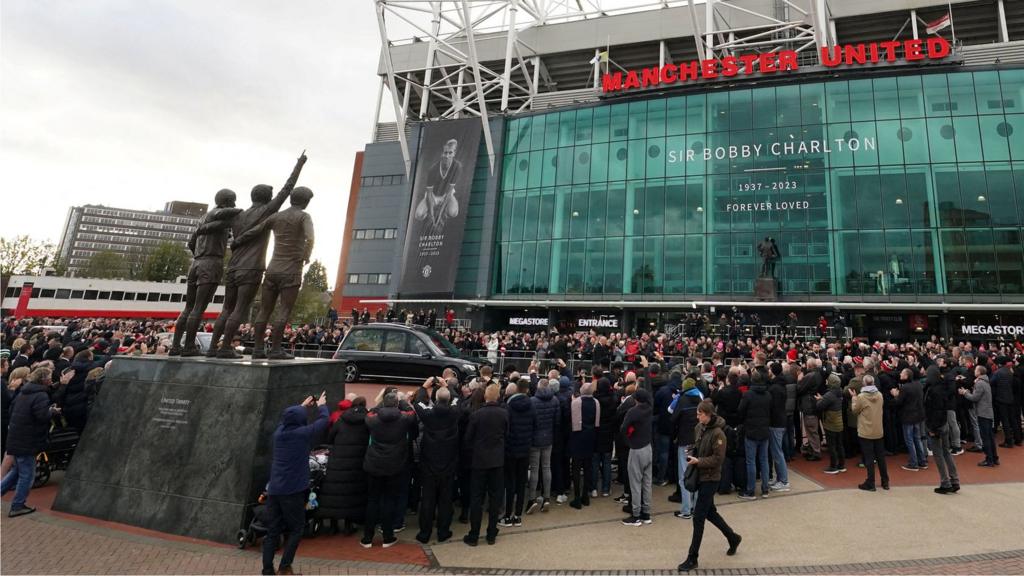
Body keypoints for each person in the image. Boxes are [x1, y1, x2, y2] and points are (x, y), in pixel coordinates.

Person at [261, 391, 329, 576]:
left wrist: (302, 406)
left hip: (275, 488)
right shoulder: (302, 434)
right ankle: (285, 566)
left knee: (273, 530)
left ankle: (267, 569)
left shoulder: (279, 433)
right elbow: (322, 422)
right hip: (292, 490)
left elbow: (287, 419)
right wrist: (321, 405)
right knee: (297, 528)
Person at [678, 401, 742, 572]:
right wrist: (692, 453)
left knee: (698, 517)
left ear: (708, 414)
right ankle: (733, 537)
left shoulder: (719, 434)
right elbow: (699, 448)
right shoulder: (699, 428)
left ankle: (693, 557)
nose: (697, 416)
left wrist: (699, 461)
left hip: (711, 479)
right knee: (710, 513)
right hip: (700, 475)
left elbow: (718, 459)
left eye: (700, 414)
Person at [2, 367, 61, 517]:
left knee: (17, 471)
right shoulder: (41, 395)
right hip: (28, 440)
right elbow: (42, 416)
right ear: (44, 380)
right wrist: (52, 412)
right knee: (27, 474)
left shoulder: (23, 392)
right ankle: (18, 505)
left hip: (16, 437)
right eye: (49, 377)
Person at [362, 391, 417, 548]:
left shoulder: (373, 419)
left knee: (372, 500)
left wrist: (381, 404)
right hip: (395, 465)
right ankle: (387, 536)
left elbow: (371, 412)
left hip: (374, 464)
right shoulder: (404, 419)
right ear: (397, 404)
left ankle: (367, 538)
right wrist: (403, 401)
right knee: (389, 500)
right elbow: (412, 413)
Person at [414, 383, 460, 544]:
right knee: (445, 500)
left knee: (427, 499)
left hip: (429, 463)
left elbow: (418, 402)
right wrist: (447, 386)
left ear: (435, 399)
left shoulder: (428, 414)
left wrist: (423, 387)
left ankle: (424, 533)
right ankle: (443, 531)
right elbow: (457, 399)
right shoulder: (454, 412)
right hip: (448, 463)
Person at [317, 396, 369, 536]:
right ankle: (348, 524)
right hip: (356, 462)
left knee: (335, 492)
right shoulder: (366, 421)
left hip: (337, 461)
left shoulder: (341, 420)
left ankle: (333, 524)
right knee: (351, 493)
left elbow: (330, 437)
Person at [463, 383, 507, 546]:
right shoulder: (504, 414)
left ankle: (474, 534)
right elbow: (506, 434)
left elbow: (468, 438)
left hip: (480, 461)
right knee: (495, 499)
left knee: (477, 498)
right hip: (496, 460)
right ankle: (491, 533)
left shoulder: (477, 415)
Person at [500, 378, 535, 528]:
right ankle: (518, 516)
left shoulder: (508, 407)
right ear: (526, 390)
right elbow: (535, 425)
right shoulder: (531, 405)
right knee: (521, 483)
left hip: (511, 449)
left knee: (510, 483)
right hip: (525, 448)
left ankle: (507, 515)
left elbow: (505, 427)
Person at [671, 372, 704, 518]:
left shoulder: (682, 400)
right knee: (695, 474)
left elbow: (672, 417)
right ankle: (696, 507)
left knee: (684, 475)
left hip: (684, 440)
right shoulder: (700, 399)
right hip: (698, 440)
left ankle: (686, 509)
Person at [620, 388, 653, 526]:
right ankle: (646, 513)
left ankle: (636, 515)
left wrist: (629, 440)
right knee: (646, 483)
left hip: (636, 449)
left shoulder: (632, 411)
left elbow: (622, 429)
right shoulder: (650, 408)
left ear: (636, 399)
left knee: (635, 483)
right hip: (648, 447)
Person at [527, 377, 560, 514]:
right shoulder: (555, 400)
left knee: (534, 469)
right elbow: (557, 421)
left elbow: (530, 421)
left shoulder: (532, 401)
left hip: (535, 438)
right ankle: (546, 497)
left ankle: (532, 498)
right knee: (547, 467)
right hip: (548, 437)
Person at [850, 375, 889, 491]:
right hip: (878, 430)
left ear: (864, 384)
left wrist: (854, 399)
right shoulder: (880, 395)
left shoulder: (861, 397)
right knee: (881, 457)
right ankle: (885, 481)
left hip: (866, 431)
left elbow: (855, 410)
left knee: (869, 458)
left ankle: (870, 482)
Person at [737, 370, 771, 500]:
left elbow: (741, 411)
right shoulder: (768, 395)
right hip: (763, 430)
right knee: (764, 460)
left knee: (751, 461)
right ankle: (765, 489)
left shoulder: (748, 395)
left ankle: (750, 490)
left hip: (751, 430)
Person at [568, 381, 599, 509]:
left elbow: (573, 423)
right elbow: (597, 422)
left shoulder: (576, 403)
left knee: (576, 468)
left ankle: (576, 497)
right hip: (591, 437)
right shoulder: (596, 403)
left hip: (578, 438)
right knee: (588, 468)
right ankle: (585, 495)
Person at [960, 365, 998, 468]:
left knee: (986, 437)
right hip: (988, 413)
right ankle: (994, 458)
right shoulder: (985, 382)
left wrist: (965, 393)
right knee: (989, 437)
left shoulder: (980, 383)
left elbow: (975, 398)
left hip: (983, 413)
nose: (974, 371)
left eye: (976, 370)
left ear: (979, 372)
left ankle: (989, 459)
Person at [891, 368, 927, 471]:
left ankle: (913, 463)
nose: (900, 374)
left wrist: (895, 395)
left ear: (906, 376)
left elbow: (899, 402)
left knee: (909, 440)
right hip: (918, 416)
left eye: (902, 373)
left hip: (908, 416)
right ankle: (922, 461)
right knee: (917, 438)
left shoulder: (905, 388)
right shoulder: (918, 384)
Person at [815, 373, 846, 474]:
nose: (826, 381)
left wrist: (820, 400)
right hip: (839, 422)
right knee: (839, 444)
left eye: (828, 380)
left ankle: (833, 466)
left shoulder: (829, 395)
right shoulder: (839, 392)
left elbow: (819, 406)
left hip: (831, 423)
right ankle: (841, 464)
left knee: (832, 445)